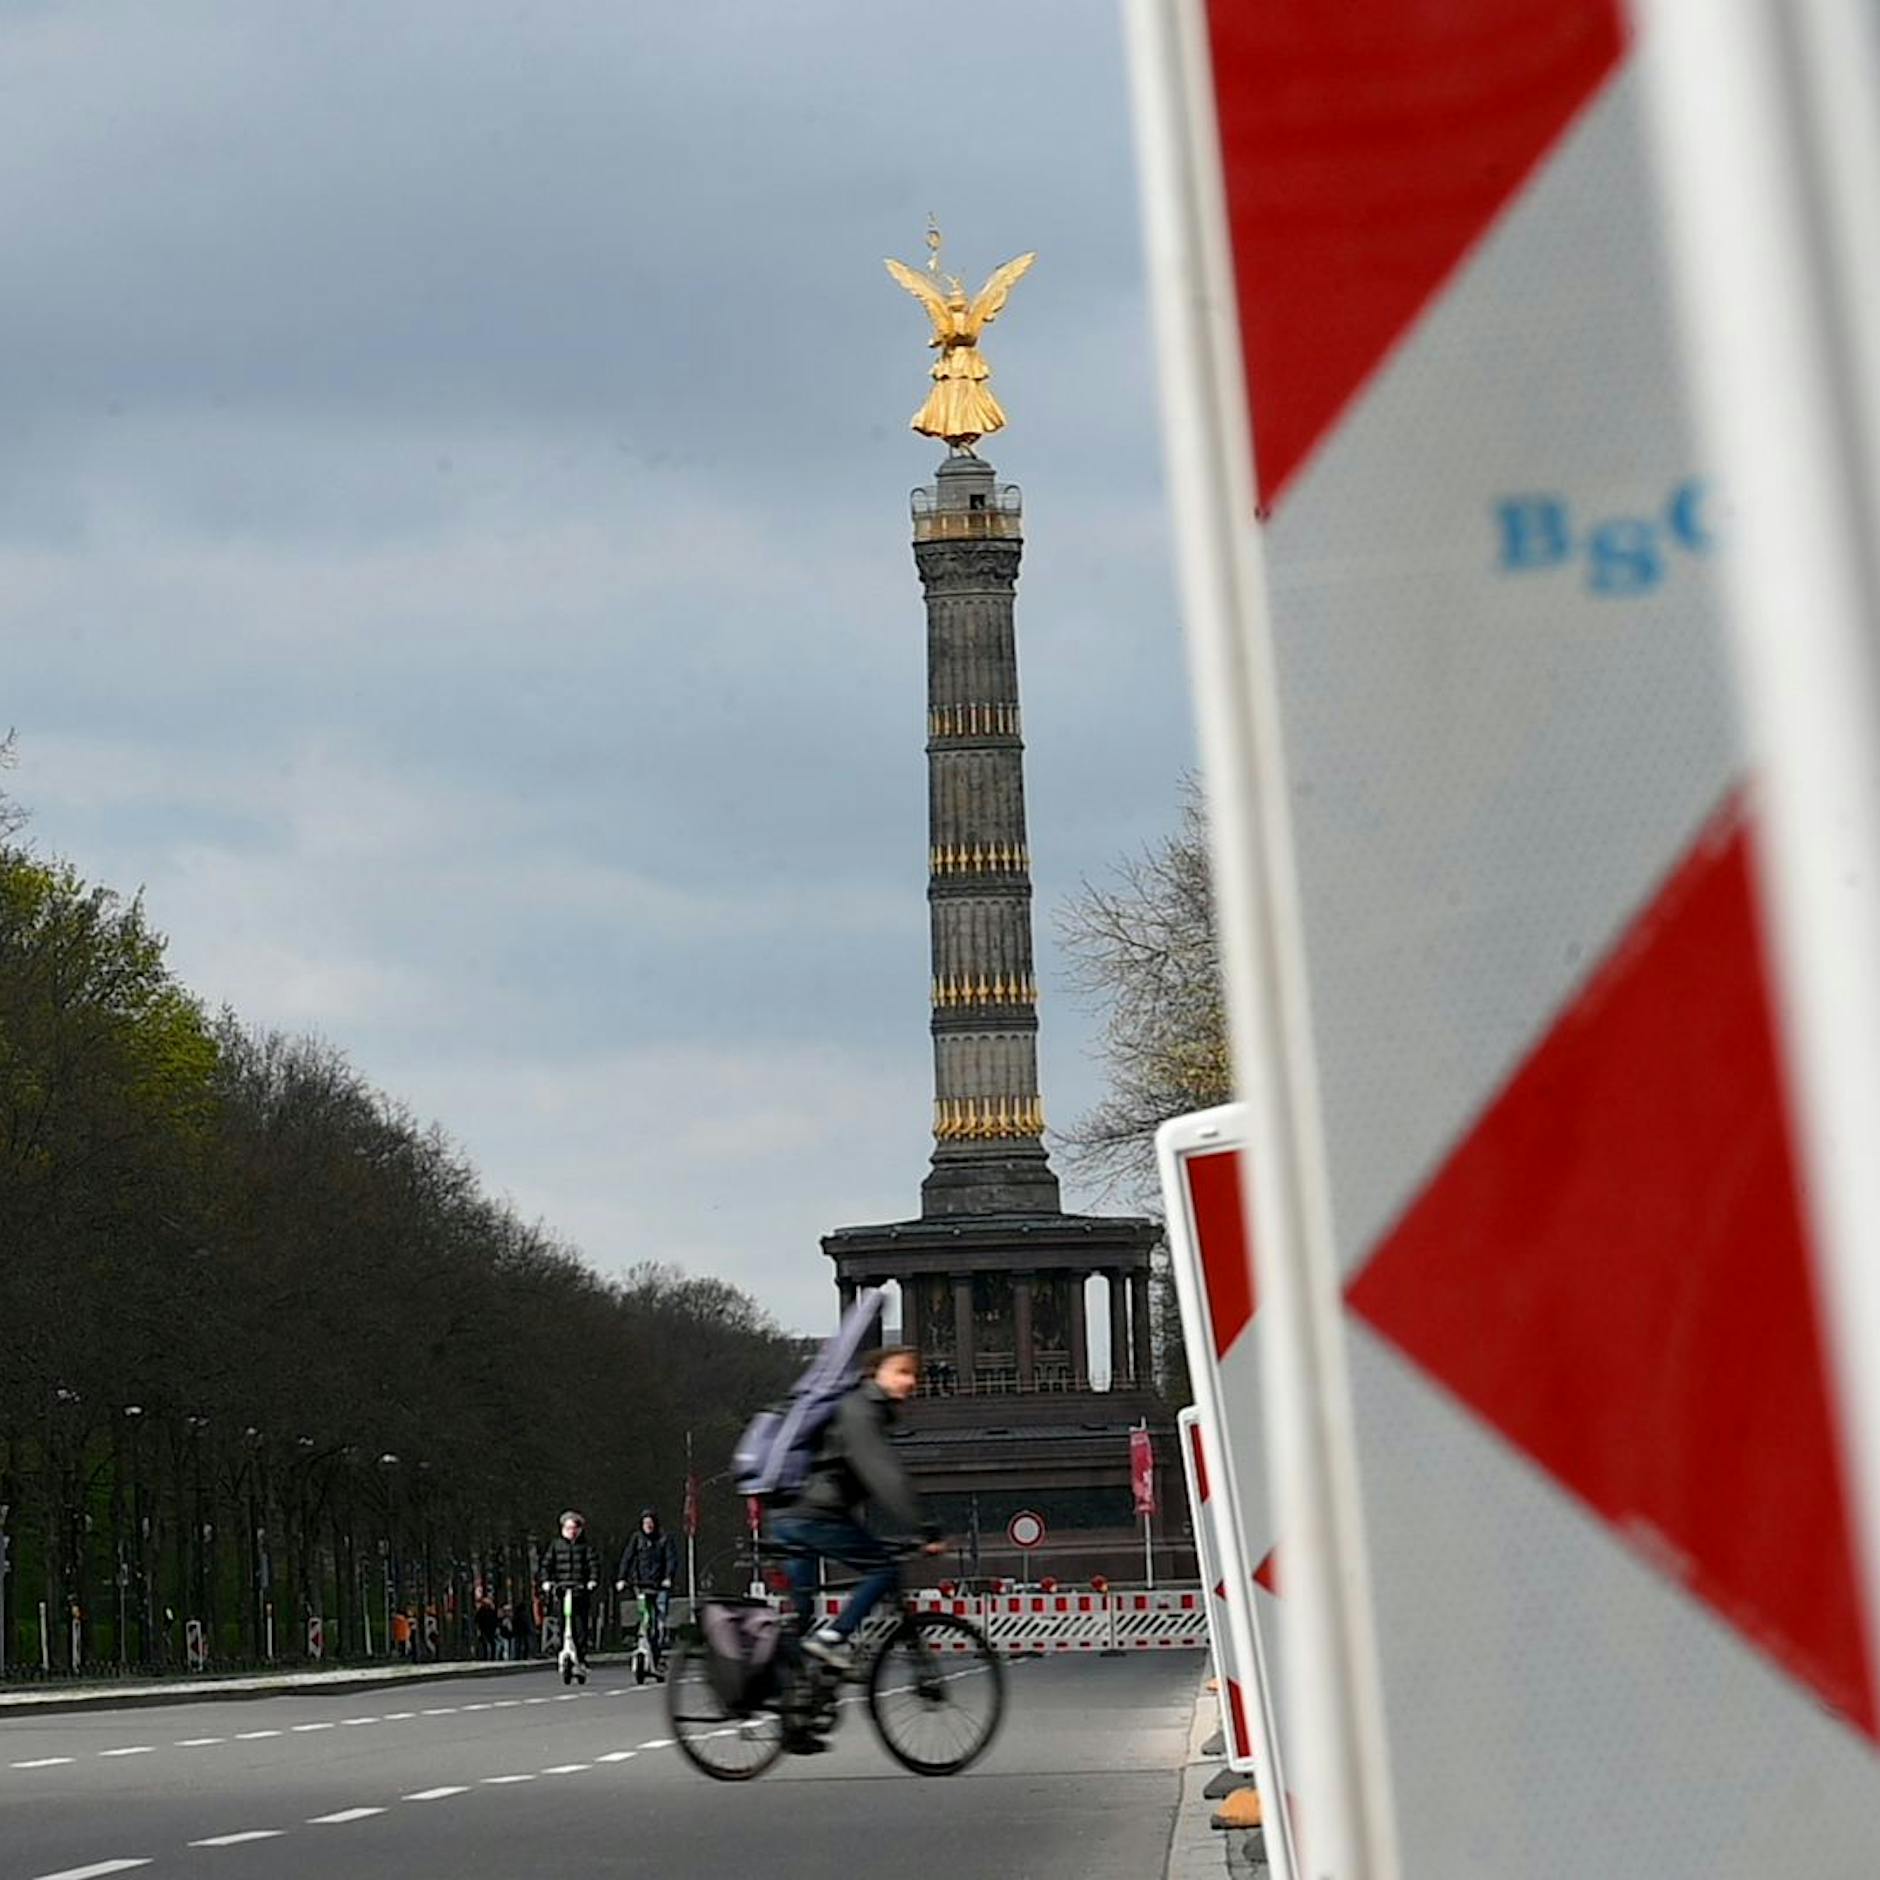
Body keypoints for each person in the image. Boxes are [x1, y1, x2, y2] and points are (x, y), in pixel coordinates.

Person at [769, 1345, 945, 1673]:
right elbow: (885, 1475)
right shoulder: (860, 1409)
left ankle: (785, 1691)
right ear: (874, 1373)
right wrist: (925, 1527)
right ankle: (834, 1637)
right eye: (902, 1371)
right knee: (884, 1570)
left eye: (914, 1374)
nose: (911, 1381)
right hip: (815, 1514)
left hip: (785, 1512)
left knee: (801, 1615)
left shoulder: (850, 1407)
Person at [538, 1508, 599, 1673]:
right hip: (562, 1591)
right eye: (568, 1528)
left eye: (574, 1528)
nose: (571, 1531)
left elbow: (593, 1565)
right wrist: (546, 1581)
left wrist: (592, 1581)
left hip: (579, 1591)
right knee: (562, 1624)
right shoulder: (555, 1546)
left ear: (579, 1530)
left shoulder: (585, 1547)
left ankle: (581, 1657)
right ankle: (562, 1651)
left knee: (580, 1627)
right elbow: (546, 1565)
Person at [615, 1507, 679, 1661]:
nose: (648, 1526)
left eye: (650, 1523)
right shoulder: (637, 1539)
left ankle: (657, 1650)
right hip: (641, 1584)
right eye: (645, 1523)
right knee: (645, 1616)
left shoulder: (664, 1539)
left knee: (659, 1618)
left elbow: (671, 1560)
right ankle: (643, 1640)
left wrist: (668, 1578)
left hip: (659, 1585)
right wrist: (622, 1578)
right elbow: (627, 1558)